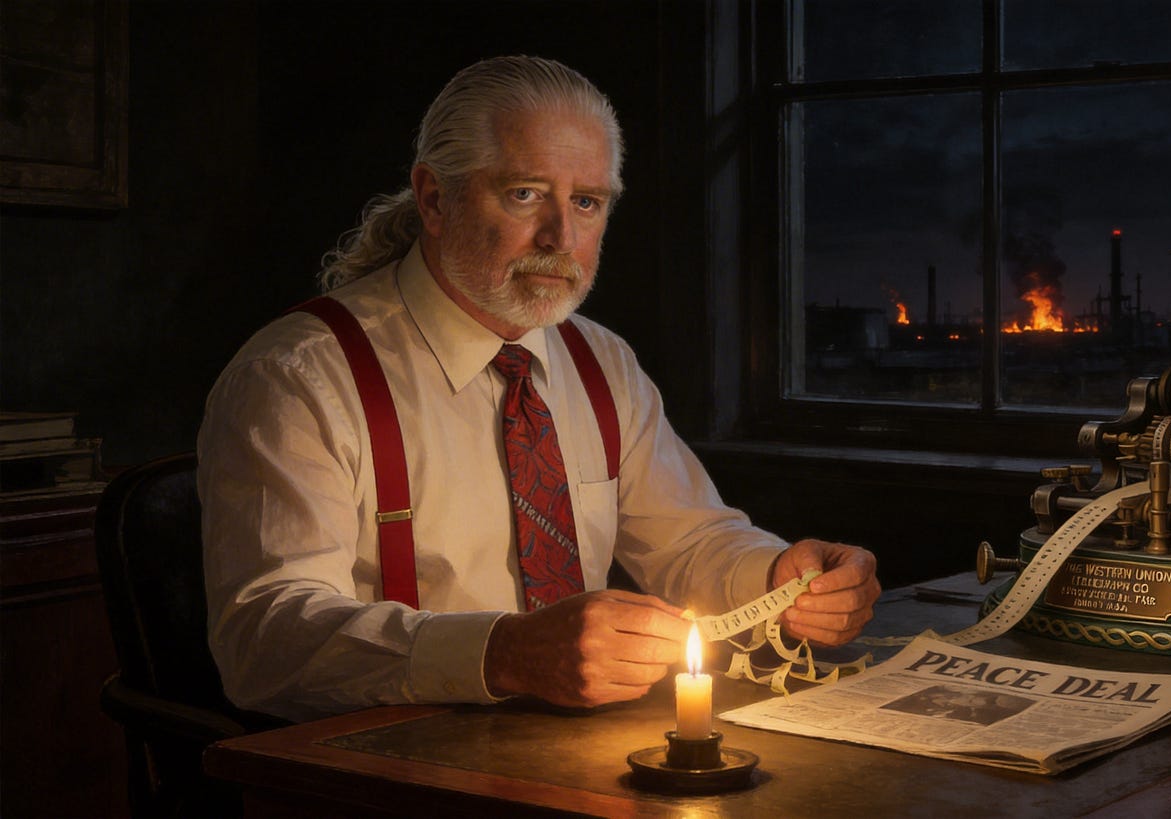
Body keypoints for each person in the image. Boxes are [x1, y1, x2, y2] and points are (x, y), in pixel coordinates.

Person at [198, 55, 879, 723]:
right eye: (525, 193)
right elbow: (263, 639)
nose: (562, 237)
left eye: (586, 202)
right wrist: (501, 654)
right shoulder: (301, 376)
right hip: (379, 778)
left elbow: (689, 542)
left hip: (573, 765)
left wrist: (778, 579)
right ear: (435, 198)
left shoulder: (600, 361)